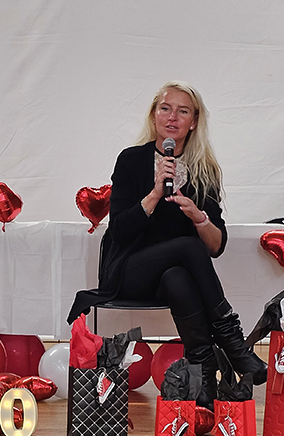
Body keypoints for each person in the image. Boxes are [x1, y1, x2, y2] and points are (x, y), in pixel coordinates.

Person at [67, 81, 266, 410]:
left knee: (178, 276)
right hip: (129, 271)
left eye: (182, 111)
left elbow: (216, 246)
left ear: (194, 121)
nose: (172, 117)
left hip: (167, 282)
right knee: (187, 248)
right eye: (165, 108)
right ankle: (234, 346)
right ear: (154, 116)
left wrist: (199, 217)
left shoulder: (204, 170)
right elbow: (119, 231)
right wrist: (155, 194)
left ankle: (203, 383)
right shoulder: (131, 160)